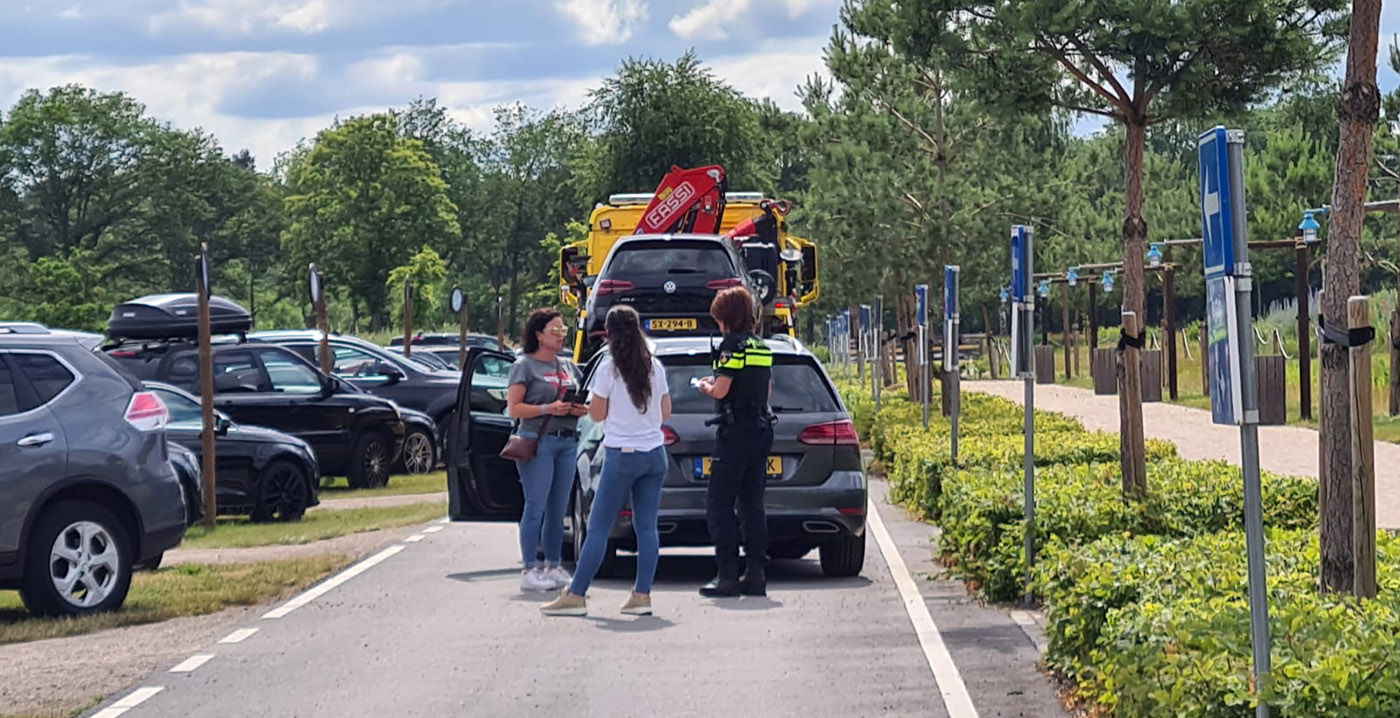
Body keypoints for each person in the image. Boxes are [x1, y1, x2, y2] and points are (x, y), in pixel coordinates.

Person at [542, 306, 671, 617]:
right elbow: (665, 411)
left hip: (622, 454)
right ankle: (642, 595)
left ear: (609, 334)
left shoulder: (610, 368)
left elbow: (597, 414)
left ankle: (576, 594)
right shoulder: (655, 366)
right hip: (655, 454)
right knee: (646, 527)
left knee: (598, 527)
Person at [695, 287, 773, 598]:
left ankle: (727, 574)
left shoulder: (731, 347)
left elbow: (722, 390)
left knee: (719, 504)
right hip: (761, 429)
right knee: (753, 504)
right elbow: (766, 391)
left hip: (736, 430)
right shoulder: (760, 346)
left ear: (726, 317)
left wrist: (705, 386)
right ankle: (756, 573)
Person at [506, 308, 587, 592]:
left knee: (558, 507)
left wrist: (579, 408)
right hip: (537, 440)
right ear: (538, 334)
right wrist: (547, 408)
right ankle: (530, 567)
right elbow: (514, 408)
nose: (561, 335)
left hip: (567, 439)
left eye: (563, 330)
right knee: (536, 505)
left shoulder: (567, 366)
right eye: (555, 331)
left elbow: (583, 401)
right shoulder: (524, 365)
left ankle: (554, 564)